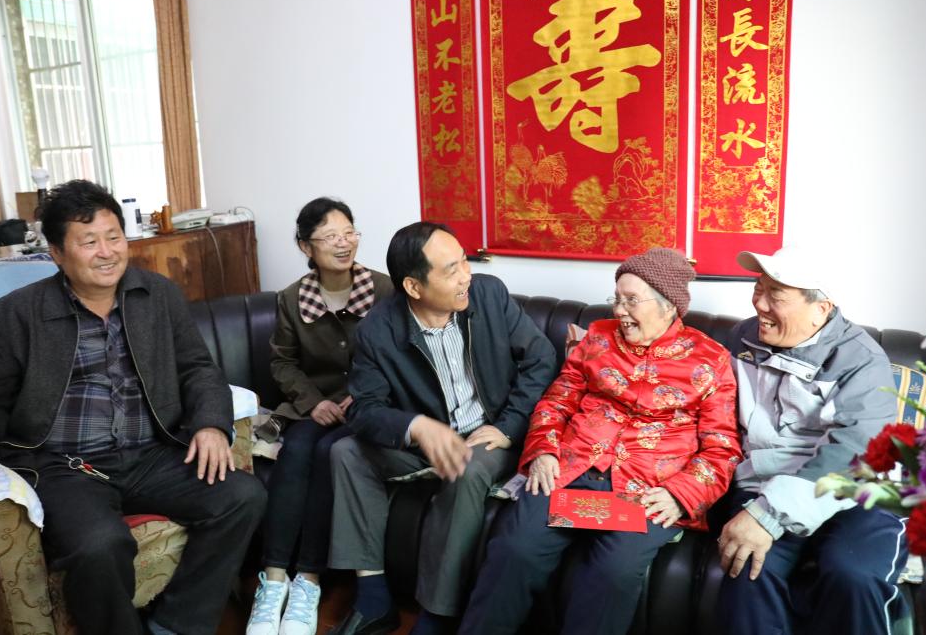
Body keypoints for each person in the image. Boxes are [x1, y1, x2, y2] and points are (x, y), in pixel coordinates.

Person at [0, 180, 266, 635]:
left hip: (152, 454)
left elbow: (198, 369)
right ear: (56, 253)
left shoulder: (158, 295)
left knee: (243, 497)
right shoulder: (19, 314)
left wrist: (210, 424)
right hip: (65, 466)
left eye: (114, 237)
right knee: (98, 544)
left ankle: (175, 625)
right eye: (89, 242)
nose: (107, 252)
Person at [460, 247, 742, 634]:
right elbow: (556, 401)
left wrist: (680, 494)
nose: (619, 310)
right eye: (616, 298)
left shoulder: (711, 359)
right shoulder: (597, 338)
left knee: (614, 572)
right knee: (515, 549)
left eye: (631, 300)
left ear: (668, 305)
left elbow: (722, 447)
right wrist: (543, 450)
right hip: (571, 469)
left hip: (649, 488)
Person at [327, 221, 557, 635]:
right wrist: (415, 426)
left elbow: (541, 359)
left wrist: (509, 426)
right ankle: (374, 598)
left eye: (465, 262)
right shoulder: (378, 329)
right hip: (426, 443)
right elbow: (364, 408)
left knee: (467, 468)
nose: (466, 276)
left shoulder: (489, 295)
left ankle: (435, 614)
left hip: (489, 435)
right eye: (452, 270)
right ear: (414, 287)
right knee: (346, 452)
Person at [714, 247, 908, 635]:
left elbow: (855, 452)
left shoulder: (861, 360)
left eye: (776, 295)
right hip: (765, 483)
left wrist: (768, 516)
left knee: (853, 575)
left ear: (821, 309)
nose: (760, 304)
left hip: (857, 492)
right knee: (749, 567)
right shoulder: (741, 340)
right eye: (759, 288)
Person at [247, 198, 393, 635]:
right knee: (296, 449)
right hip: (315, 408)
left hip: (368, 407)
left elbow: (395, 355)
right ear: (305, 246)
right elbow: (283, 363)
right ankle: (274, 580)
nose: (343, 243)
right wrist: (314, 402)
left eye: (349, 233)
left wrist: (360, 394)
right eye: (330, 237)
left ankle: (308, 581)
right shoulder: (292, 299)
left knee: (331, 454)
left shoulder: (384, 290)